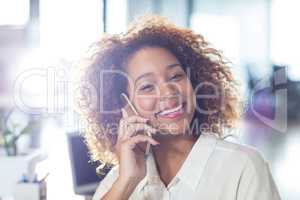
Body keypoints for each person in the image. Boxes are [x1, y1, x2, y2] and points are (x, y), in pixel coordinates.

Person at [78, 15, 281, 200]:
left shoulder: (243, 167)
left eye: (176, 76)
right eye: (147, 86)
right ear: (123, 105)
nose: (169, 92)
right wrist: (127, 181)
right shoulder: (121, 177)